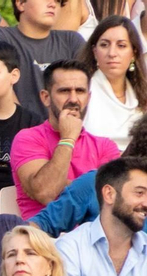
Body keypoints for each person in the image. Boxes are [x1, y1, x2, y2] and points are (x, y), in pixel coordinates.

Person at [12, 60, 121, 218]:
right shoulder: (27, 138)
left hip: (95, 237)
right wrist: (68, 138)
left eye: (80, 91)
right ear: (45, 97)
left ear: (88, 97)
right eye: (64, 91)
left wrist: (67, 185)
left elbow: (112, 198)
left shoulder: (105, 146)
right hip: (43, 238)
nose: (74, 99)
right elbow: (47, 193)